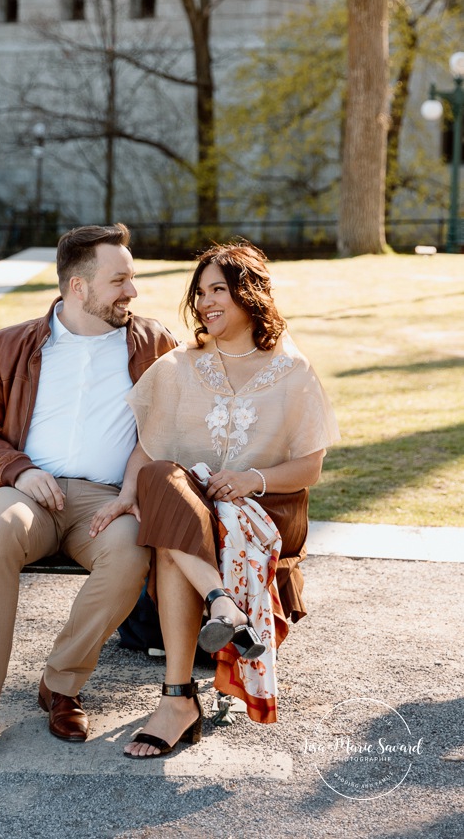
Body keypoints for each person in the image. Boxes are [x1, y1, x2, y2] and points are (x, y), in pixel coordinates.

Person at [89, 240, 339, 757]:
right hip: (197, 507)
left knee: (172, 534)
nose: (205, 303)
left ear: (250, 294)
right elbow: (147, 449)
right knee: (164, 485)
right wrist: (126, 497)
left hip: (267, 509)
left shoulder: (292, 371)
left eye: (218, 290)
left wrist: (252, 479)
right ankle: (218, 608)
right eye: (199, 293)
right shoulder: (181, 366)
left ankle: (179, 697)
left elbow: (310, 467)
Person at [0, 223, 178, 760]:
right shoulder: (7, 346)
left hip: (106, 500)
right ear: (79, 287)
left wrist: (132, 491)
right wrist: (19, 470)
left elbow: (169, 431)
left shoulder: (154, 345)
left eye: (133, 278)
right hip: (25, 492)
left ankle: (61, 685)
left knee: (128, 554)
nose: (133, 291)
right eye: (119, 280)